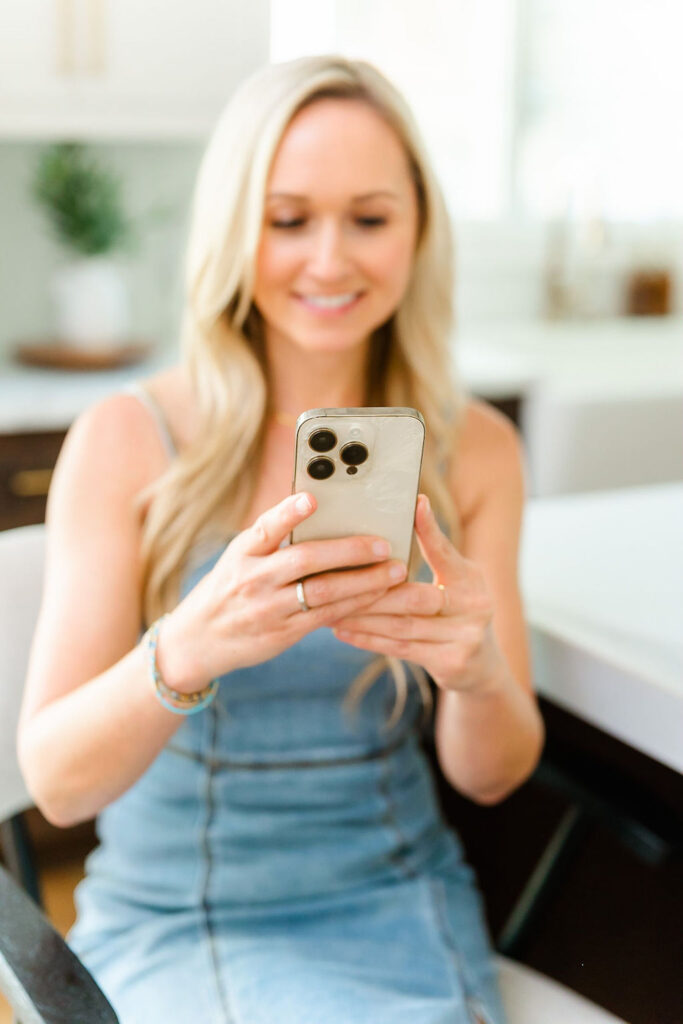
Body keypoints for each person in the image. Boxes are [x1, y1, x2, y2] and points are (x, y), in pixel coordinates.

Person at [18, 55, 544, 1024]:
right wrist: (188, 643)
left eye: (370, 217)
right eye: (288, 217)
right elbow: (56, 785)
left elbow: (493, 772)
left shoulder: (478, 449)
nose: (331, 260)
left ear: (418, 227)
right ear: (231, 229)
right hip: (177, 913)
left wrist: (475, 670)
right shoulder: (129, 439)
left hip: (396, 905)